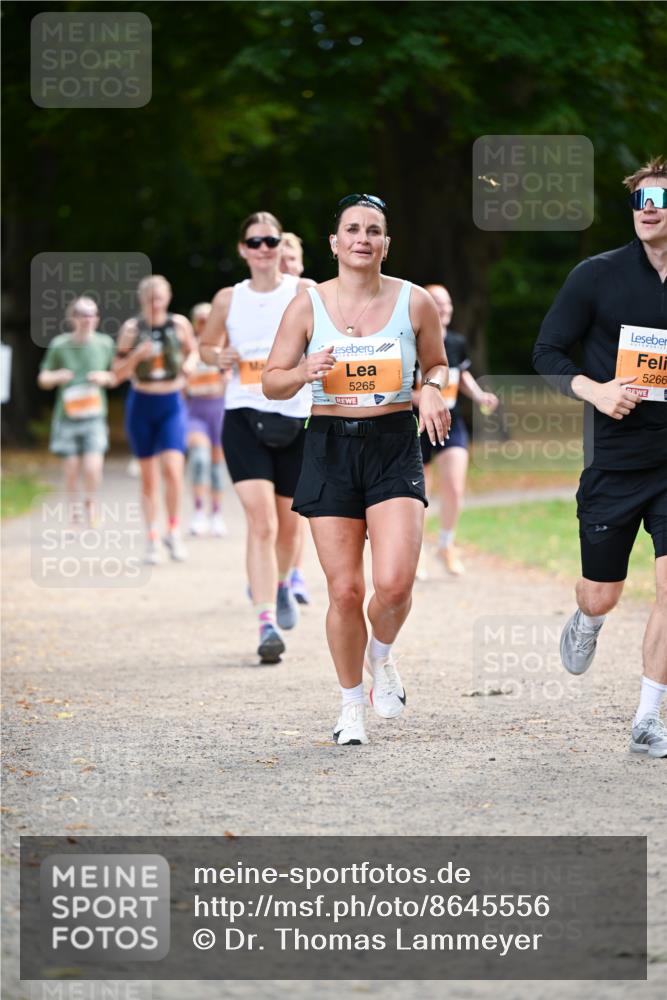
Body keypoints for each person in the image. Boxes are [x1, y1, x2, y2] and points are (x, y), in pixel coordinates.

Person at [263, 193, 450, 745]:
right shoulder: (307, 305)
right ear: (334, 242)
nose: (362, 238)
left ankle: (380, 655)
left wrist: (431, 388)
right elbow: (271, 381)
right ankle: (350, 707)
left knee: (394, 584)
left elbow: (437, 363)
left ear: (386, 244)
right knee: (344, 590)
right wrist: (302, 371)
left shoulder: (415, 301)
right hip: (329, 446)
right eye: (352, 229)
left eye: (373, 230)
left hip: (393, 443)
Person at [533, 156, 667, 759]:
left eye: (660, 200)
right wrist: (597, 391)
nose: (649, 210)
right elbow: (547, 351)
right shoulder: (597, 274)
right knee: (601, 593)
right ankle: (587, 620)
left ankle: (648, 717)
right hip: (616, 460)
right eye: (641, 200)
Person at [199, 212, 314, 664]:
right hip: (243, 416)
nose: (264, 248)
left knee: (289, 526)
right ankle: (266, 622)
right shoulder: (229, 298)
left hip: (295, 418)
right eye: (255, 242)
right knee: (261, 523)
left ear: (280, 245)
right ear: (242, 249)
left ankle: (283, 583)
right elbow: (206, 347)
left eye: (271, 240)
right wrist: (218, 356)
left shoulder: (305, 291)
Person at [113, 275, 197, 564]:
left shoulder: (178, 324)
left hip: (171, 402)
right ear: (141, 299)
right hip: (142, 403)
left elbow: (193, 351)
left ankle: (173, 530)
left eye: (159, 297)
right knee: (148, 478)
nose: (155, 303)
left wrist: (189, 364)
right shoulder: (132, 329)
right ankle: (151, 536)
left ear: (168, 297)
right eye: (150, 298)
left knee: (173, 470)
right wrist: (136, 356)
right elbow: (117, 373)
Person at [416, 284, 499, 576]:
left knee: (454, 486)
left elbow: (461, 375)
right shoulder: (410, 342)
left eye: (448, 303)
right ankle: (417, 551)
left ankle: (446, 545)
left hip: (450, 421)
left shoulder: (456, 341)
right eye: (438, 303)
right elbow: (396, 387)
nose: (445, 309)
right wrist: (423, 397)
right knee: (420, 493)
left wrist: (479, 395)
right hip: (417, 423)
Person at [38, 296, 116, 523]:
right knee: (71, 469)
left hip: (94, 416)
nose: (87, 319)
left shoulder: (105, 344)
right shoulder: (59, 345)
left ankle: (91, 502)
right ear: (72, 318)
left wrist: (105, 377)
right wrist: (57, 376)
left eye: (92, 314)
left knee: (93, 467)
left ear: (97, 318)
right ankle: (73, 512)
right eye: (82, 314)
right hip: (67, 416)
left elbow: (116, 375)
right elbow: (43, 378)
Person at [279, 232, 312, 605]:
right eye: (280, 259)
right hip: (262, 412)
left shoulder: (313, 299)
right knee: (268, 511)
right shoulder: (259, 303)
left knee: (295, 503)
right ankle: (273, 572)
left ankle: (295, 573)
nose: (284, 265)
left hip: (303, 412)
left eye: (290, 258)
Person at [186, 301, 229, 538]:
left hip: (218, 411)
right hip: (196, 411)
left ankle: (217, 514)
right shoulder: (188, 348)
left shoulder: (222, 346)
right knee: (199, 460)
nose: (204, 324)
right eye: (200, 320)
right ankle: (198, 511)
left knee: (215, 468)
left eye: (208, 319)